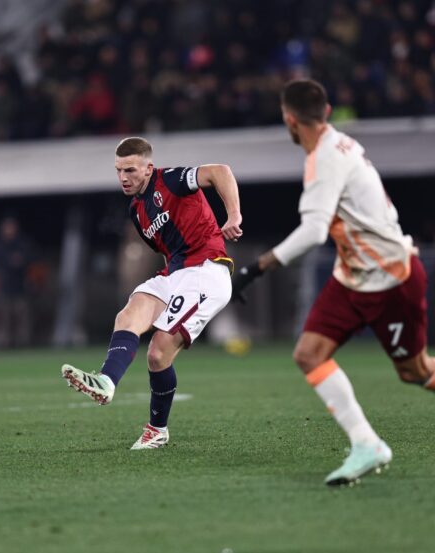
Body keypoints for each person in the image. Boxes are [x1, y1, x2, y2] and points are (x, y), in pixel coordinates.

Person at [233, 79, 435, 486]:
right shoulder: (339, 143)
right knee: (309, 353)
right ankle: (366, 444)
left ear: (289, 120)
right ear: (325, 112)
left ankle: (367, 444)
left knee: (416, 373)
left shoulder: (323, 159)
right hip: (354, 276)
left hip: (391, 277)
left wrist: (254, 269)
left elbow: (313, 232)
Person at [62, 136, 243, 449]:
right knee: (129, 314)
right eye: (119, 170)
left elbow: (220, 171)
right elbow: (168, 249)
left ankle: (157, 430)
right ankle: (106, 381)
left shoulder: (171, 180)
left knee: (158, 352)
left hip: (206, 270)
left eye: (130, 170)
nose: (123, 177)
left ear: (148, 168)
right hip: (175, 272)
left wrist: (234, 216)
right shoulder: (137, 211)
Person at [0, 216, 35, 348]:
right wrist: (9, 262)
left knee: (22, 319)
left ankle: (23, 344)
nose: (9, 230)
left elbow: (30, 259)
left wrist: (20, 261)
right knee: (4, 319)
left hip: (20, 287)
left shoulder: (22, 243)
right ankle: (5, 345)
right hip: (4, 287)